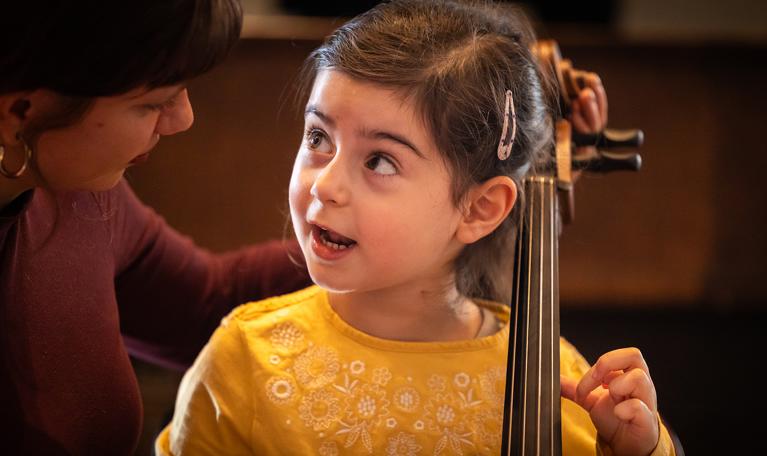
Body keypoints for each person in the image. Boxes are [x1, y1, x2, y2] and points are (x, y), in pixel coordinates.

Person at [155, 1, 675, 455]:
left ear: (479, 209)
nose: (326, 186)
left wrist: (641, 449)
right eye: (318, 137)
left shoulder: (560, 382)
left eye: (379, 161)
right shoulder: (245, 360)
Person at [0, 1, 312, 454]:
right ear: (19, 113)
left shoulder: (76, 188)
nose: (182, 119)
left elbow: (207, 304)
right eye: (152, 103)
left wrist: (365, 249)